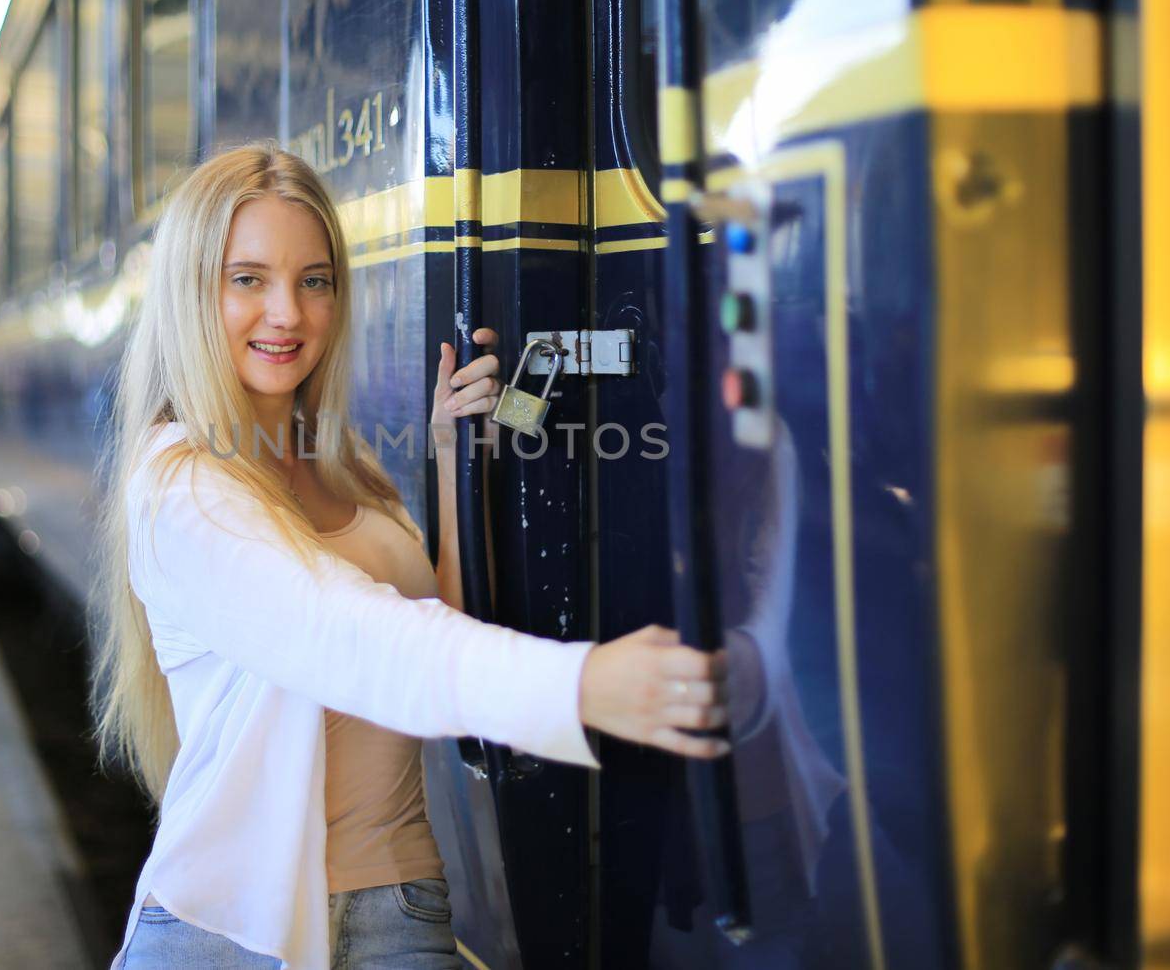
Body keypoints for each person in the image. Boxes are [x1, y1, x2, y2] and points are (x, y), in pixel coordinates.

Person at [93, 143, 731, 969]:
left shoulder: (341, 462)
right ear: (191, 293)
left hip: (403, 903)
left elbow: (426, 634)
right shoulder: (181, 483)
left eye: (314, 280)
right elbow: (347, 637)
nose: (287, 312)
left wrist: (451, 456)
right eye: (246, 278)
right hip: (230, 934)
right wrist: (582, 682)